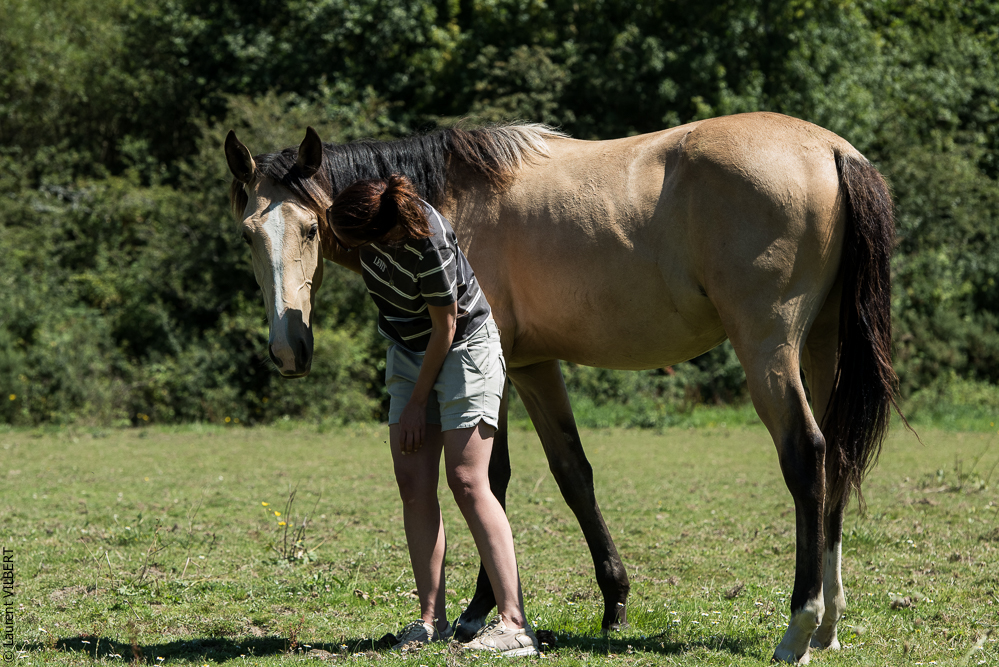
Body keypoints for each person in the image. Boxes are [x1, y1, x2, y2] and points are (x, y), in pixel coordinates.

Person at [326, 174, 539, 657]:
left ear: (376, 234)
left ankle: (514, 624)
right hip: (406, 350)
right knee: (412, 482)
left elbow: (447, 326)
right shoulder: (365, 227)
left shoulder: (425, 240)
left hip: (464, 348)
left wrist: (419, 403)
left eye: (346, 240)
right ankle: (431, 620)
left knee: (467, 479)